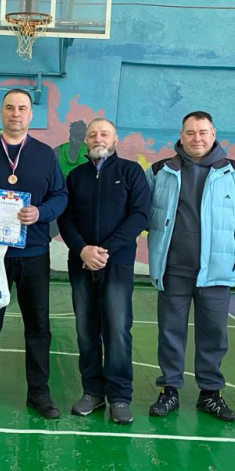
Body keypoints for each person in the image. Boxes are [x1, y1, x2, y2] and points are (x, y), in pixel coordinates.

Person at [145, 111, 235, 422]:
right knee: (170, 332)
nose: (196, 138)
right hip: (173, 269)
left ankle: (210, 394)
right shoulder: (160, 171)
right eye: (190, 132)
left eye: (202, 132)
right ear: (181, 136)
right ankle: (169, 390)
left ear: (213, 134)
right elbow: (140, 209)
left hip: (215, 270)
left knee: (213, 334)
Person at [0, 88, 68, 418]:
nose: (15, 113)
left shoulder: (45, 155)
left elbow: (60, 196)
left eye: (22, 108)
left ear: (31, 115)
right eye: (9, 107)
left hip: (33, 254)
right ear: (1, 113)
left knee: (38, 326)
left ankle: (39, 392)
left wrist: (41, 213)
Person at [57, 118, 150, 425]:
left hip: (117, 264)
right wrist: (83, 250)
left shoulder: (131, 172)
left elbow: (140, 215)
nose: (98, 138)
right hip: (81, 264)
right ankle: (93, 392)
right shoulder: (76, 177)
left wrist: (105, 251)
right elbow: (65, 219)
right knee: (86, 331)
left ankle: (120, 397)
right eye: (93, 134)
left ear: (115, 139)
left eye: (104, 134)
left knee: (117, 330)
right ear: (86, 141)